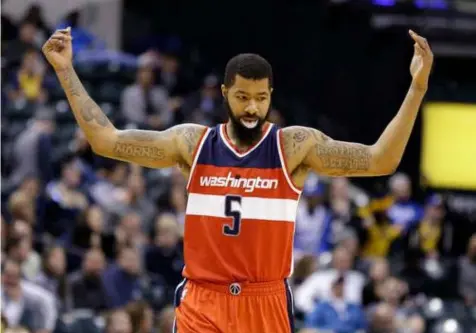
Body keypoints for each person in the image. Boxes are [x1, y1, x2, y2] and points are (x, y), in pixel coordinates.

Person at [41, 27, 433, 333]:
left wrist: (416, 88)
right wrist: (65, 70)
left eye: (261, 97)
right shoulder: (193, 143)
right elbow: (106, 140)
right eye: (243, 96)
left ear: (271, 96)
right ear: (226, 93)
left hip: (264, 300)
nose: (252, 107)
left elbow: (382, 160)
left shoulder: (294, 146)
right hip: (203, 298)